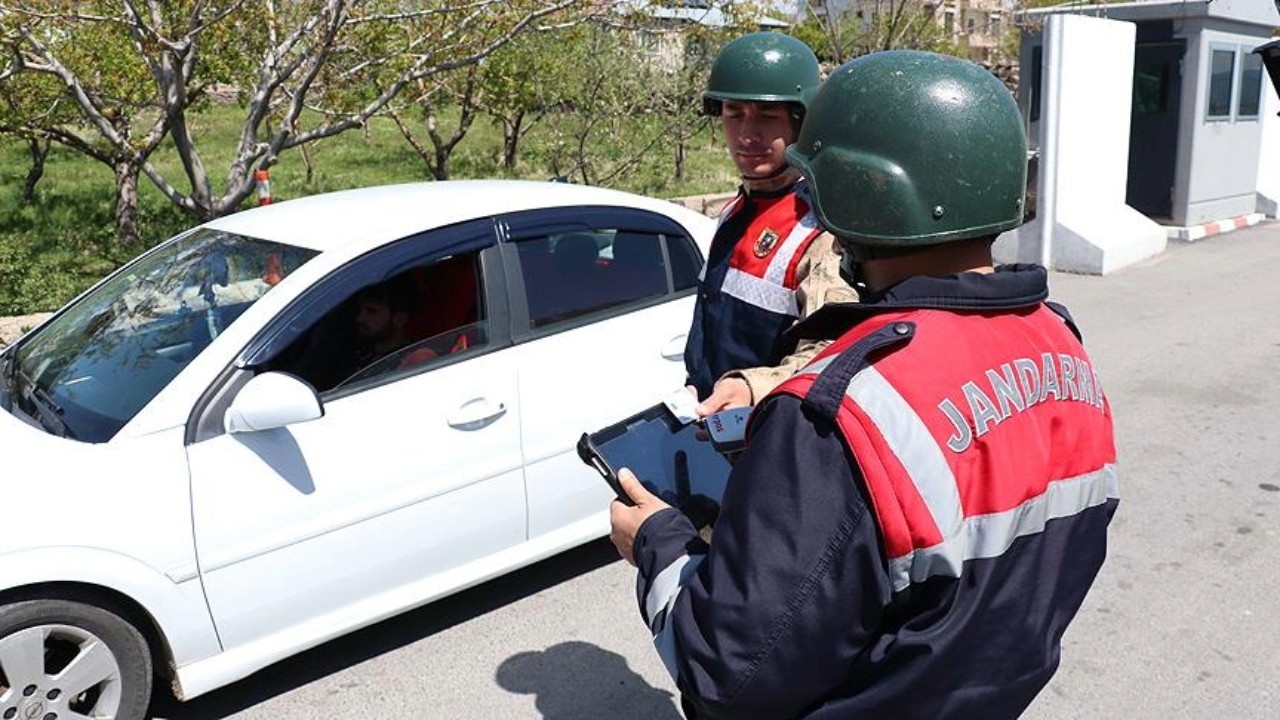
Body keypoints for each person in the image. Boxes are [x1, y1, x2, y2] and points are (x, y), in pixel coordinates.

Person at [610, 50, 1119, 719]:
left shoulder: (839, 414)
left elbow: (724, 676)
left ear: (852, 191)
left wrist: (656, 542)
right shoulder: (1062, 346)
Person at [684, 31, 854, 417]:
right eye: (734, 113)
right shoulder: (738, 209)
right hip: (716, 426)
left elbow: (832, 353)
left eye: (766, 115)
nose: (747, 134)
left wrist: (752, 387)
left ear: (801, 122)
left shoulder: (820, 228)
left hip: (771, 442)